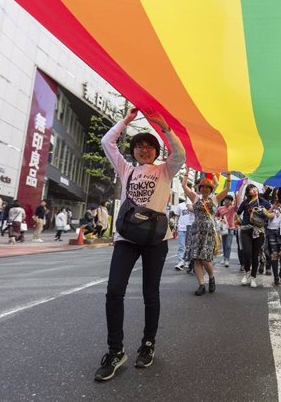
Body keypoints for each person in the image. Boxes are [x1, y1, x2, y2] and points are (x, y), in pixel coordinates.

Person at [94, 106, 185, 382]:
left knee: (151, 293)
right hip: (126, 238)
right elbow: (107, 142)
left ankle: (148, 344)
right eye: (139, 146)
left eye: (149, 146)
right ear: (133, 151)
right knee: (114, 291)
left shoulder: (166, 171)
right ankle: (115, 350)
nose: (144, 149)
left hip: (156, 240)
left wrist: (165, 127)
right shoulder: (126, 169)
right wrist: (127, 120)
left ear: (156, 152)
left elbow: (179, 154)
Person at [182, 170, 231, 296]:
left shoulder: (214, 198)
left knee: (205, 259)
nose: (204, 189)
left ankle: (211, 276)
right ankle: (201, 285)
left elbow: (227, 189)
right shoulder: (195, 197)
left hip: (209, 231)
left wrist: (229, 175)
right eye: (202, 187)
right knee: (196, 259)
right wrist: (187, 171)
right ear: (200, 188)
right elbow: (184, 186)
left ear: (210, 189)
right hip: (196, 230)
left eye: (207, 187)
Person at [237, 182, 271, 288]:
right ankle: (247, 273)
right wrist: (240, 223)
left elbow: (270, 213)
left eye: (255, 188)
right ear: (248, 193)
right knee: (247, 252)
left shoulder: (263, 201)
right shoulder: (245, 202)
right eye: (251, 189)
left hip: (259, 230)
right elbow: (237, 213)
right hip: (246, 229)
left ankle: (253, 277)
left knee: (255, 254)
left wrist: (265, 214)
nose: (254, 190)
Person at [267, 198, 281, 286]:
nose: (278, 203)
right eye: (276, 201)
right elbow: (266, 215)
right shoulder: (271, 208)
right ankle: (276, 277)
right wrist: (273, 207)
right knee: (274, 254)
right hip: (272, 232)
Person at [215, 195, 238, 268]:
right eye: (226, 199)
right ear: (224, 200)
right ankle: (224, 257)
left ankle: (227, 259)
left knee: (228, 245)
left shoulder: (233, 208)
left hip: (230, 228)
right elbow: (215, 216)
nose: (227, 201)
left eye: (229, 200)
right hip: (222, 228)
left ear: (231, 201)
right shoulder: (220, 208)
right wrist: (219, 219)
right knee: (224, 245)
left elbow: (237, 205)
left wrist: (236, 196)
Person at [173, 200, 194, 271]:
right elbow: (177, 215)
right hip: (181, 228)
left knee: (189, 246)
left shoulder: (193, 203)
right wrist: (175, 224)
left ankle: (187, 261)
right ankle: (180, 262)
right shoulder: (180, 205)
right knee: (181, 246)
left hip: (191, 226)